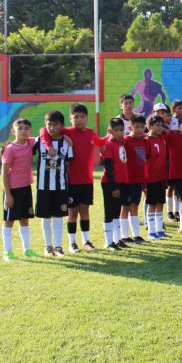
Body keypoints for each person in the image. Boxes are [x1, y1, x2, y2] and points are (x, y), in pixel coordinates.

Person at [39, 103, 105, 253]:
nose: (79, 120)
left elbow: (101, 142)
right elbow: (43, 130)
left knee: (85, 211)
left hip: (87, 181)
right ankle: (72, 243)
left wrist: (109, 140)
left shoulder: (91, 133)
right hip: (71, 181)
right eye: (76, 117)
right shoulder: (66, 131)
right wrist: (50, 144)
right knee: (72, 212)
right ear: (70, 119)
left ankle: (87, 241)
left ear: (87, 118)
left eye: (82, 117)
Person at [35, 111, 73, 257]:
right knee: (46, 217)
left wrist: (67, 183)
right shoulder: (39, 141)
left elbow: (68, 164)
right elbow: (23, 142)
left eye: (55, 124)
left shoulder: (67, 143)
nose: (51, 127)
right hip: (43, 188)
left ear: (62, 126)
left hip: (61, 187)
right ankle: (48, 247)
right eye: (49, 124)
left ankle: (58, 247)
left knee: (58, 217)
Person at [1, 118, 38, 261]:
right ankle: (8, 252)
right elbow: (4, 172)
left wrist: (65, 136)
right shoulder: (10, 149)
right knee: (9, 220)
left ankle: (27, 249)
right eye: (20, 128)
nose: (23, 131)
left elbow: (45, 134)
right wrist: (8, 195)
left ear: (30, 131)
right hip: (13, 190)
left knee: (24, 219)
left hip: (26, 188)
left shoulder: (30, 143)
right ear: (13, 131)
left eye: (26, 128)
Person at [100, 118, 130, 251]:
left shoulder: (122, 143)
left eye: (121, 130)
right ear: (109, 131)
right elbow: (109, 168)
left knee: (117, 212)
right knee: (109, 211)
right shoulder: (109, 145)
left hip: (122, 182)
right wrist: (114, 187)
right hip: (110, 183)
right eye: (116, 130)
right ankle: (108, 242)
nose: (119, 133)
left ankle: (117, 240)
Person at [122, 115, 149, 243]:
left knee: (134, 206)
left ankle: (136, 235)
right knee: (125, 207)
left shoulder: (144, 140)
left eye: (142, 127)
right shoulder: (125, 140)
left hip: (139, 179)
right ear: (130, 127)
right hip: (127, 180)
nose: (139, 130)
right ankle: (124, 236)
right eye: (137, 127)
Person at [144, 115, 170, 240]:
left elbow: (169, 132)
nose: (160, 128)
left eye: (161, 125)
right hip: (150, 178)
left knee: (160, 203)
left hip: (161, 177)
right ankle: (151, 231)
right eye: (157, 125)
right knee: (152, 204)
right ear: (149, 127)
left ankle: (160, 230)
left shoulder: (162, 137)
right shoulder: (146, 140)